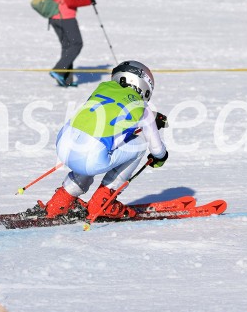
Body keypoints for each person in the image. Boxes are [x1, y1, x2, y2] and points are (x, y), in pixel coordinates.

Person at [43, 61, 169, 219]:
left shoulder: (102, 89)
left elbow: (108, 117)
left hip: (64, 147)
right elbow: (157, 150)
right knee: (140, 145)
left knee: (94, 146)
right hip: (91, 158)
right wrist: (160, 157)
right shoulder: (142, 108)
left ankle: (60, 202)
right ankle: (103, 202)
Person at [43, 0, 95, 87]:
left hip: (54, 18)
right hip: (65, 18)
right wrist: (88, 1)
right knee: (76, 44)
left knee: (67, 47)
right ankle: (59, 71)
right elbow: (70, 2)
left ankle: (65, 80)